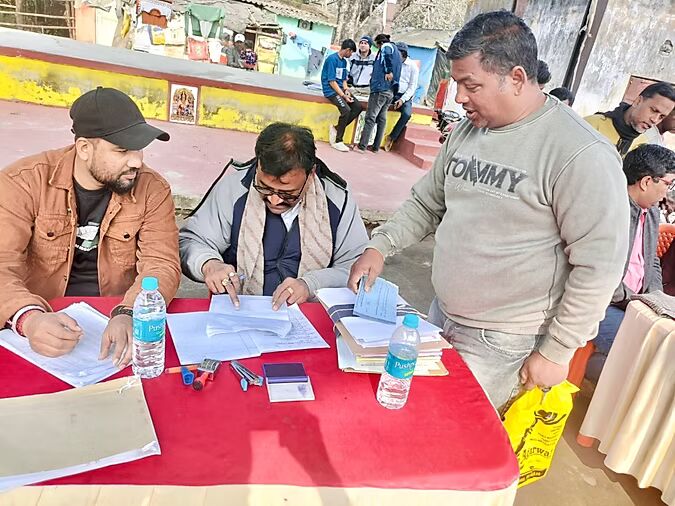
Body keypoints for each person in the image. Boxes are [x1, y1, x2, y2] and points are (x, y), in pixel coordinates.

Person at [347, 11, 630, 411]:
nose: (459, 97)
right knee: (423, 415)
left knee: (459, 430)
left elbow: (599, 266)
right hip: (442, 312)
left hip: (504, 340)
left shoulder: (580, 153)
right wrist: (380, 245)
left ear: (516, 78)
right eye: (458, 83)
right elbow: (427, 202)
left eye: (471, 85)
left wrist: (557, 349)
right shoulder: (469, 130)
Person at [0, 87, 181, 367]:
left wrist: (130, 312)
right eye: (122, 150)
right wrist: (28, 318)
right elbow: (2, 263)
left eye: (138, 149)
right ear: (84, 148)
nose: (137, 161)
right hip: (43, 314)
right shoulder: (23, 182)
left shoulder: (153, 189)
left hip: (115, 316)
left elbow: (161, 263)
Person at [179, 123, 369, 309]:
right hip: (238, 310)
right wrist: (209, 263)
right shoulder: (233, 189)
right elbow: (192, 241)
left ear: (310, 174)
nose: (274, 200)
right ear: (258, 165)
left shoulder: (337, 199)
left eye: (288, 193)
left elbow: (356, 267)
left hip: (309, 314)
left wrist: (311, 284)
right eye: (264, 188)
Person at [586, 144, 675, 382]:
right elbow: (597, 271)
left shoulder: (651, 212)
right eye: (668, 184)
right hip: (602, 304)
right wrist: (634, 301)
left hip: (634, 304)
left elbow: (652, 261)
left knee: (665, 345)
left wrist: (655, 299)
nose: (667, 193)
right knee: (649, 351)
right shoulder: (610, 210)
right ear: (646, 182)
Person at [585, 81, 675, 156]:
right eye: (654, 110)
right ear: (638, 101)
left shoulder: (644, 145)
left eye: (661, 117)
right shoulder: (592, 126)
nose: (655, 120)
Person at [356, 33, 402, 153]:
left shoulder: (386, 47)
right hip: (390, 90)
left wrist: (388, 71)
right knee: (382, 118)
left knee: (370, 117)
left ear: (379, 43)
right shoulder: (397, 51)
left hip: (380, 88)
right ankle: (375, 147)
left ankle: (362, 146)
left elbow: (386, 56)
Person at [322, 39, 363, 153]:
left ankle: (336, 128)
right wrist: (343, 96)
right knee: (346, 110)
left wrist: (346, 91)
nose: (351, 55)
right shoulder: (332, 59)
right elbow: (332, 82)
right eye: (351, 52)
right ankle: (338, 140)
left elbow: (344, 80)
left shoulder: (344, 62)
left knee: (357, 107)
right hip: (331, 91)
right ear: (348, 50)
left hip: (340, 90)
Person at [384, 42, 419, 152]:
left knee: (407, 114)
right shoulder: (393, 63)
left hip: (405, 95)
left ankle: (392, 137)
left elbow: (412, 87)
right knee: (380, 107)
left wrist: (402, 99)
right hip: (392, 92)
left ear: (403, 54)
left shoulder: (412, 66)